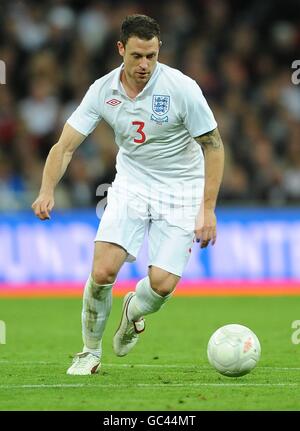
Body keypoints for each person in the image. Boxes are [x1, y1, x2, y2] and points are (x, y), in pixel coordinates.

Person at [32, 14, 224, 375]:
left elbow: (213, 147)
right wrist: (47, 189)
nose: (144, 64)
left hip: (181, 190)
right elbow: (66, 145)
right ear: (121, 49)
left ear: (159, 50)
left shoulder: (182, 88)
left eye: (151, 55)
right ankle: (89, 352)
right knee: (103, 271)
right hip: (132, 185)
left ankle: (134, 310)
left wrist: (207, 209)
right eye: (137, 55)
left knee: (162, 284)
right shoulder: (103, 91)